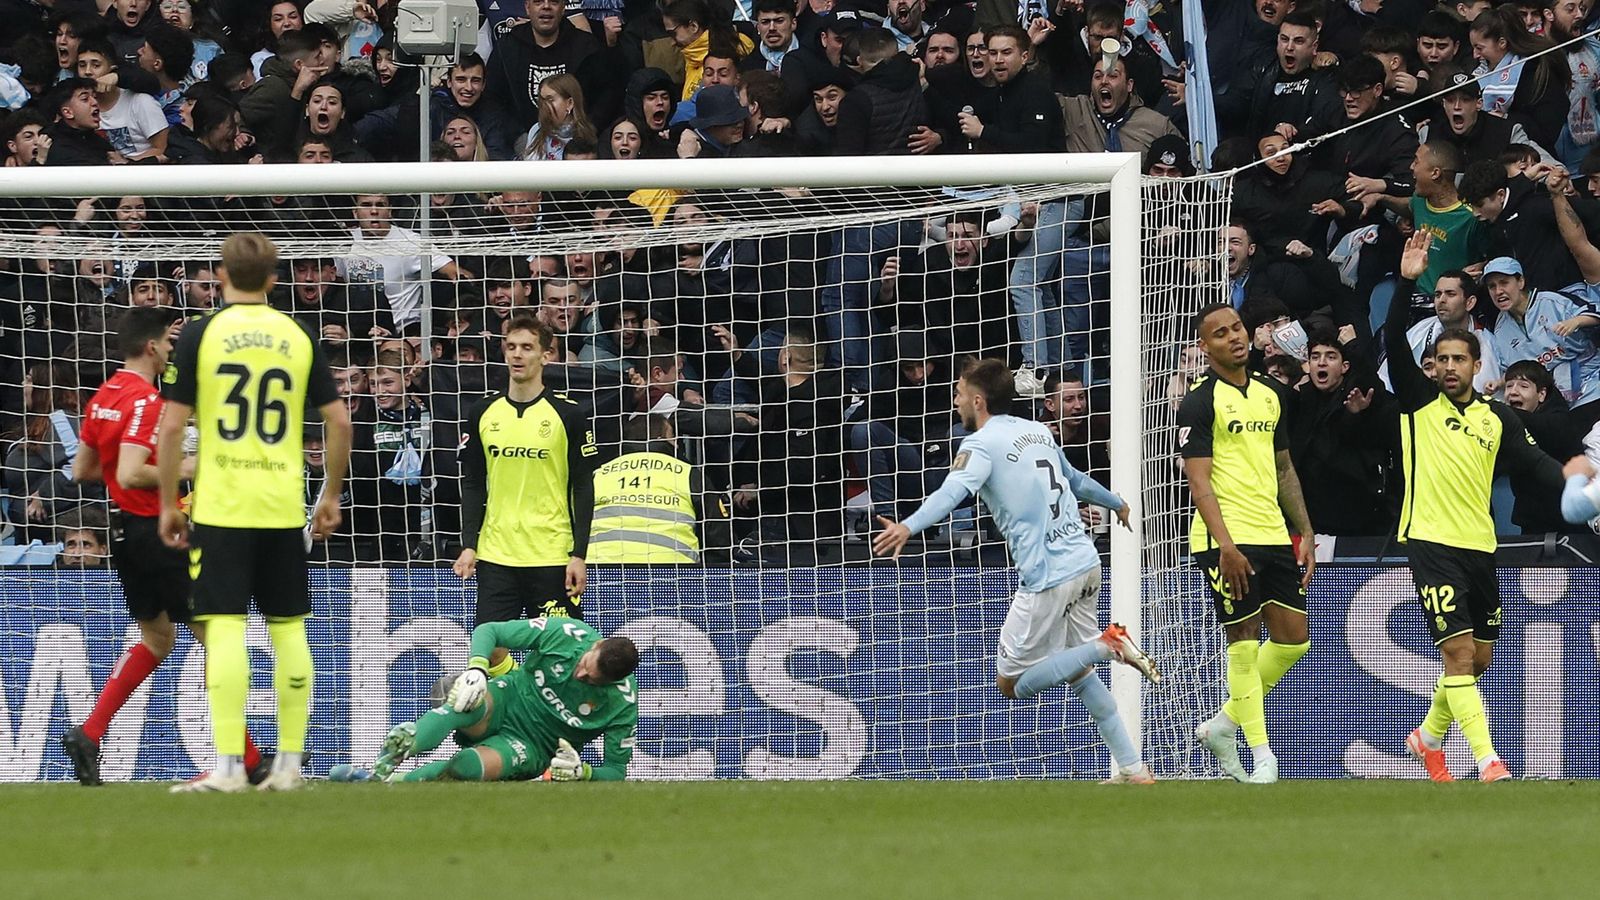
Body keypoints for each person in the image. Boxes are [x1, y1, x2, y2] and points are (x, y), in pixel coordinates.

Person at [872, 359, 1161, 784]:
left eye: (957, 393)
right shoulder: (1037, 430)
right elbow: (1076, 480)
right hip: (1084, 562)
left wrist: (907, 525)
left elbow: (953, 491)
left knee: (1012, 682)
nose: (953, 401)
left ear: (977, 399)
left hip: (1048, 575)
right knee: (1077, 672)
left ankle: (1109, 646)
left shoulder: (982, 444)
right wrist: (1116, 502)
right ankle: (1134, 770)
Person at [156, 232, 353, 793]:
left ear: (220, 275)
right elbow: (339, 422)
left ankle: (227, 769)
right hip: (281, 503)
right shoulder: (298, 334)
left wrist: (171, 502)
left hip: (222, 504)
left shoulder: (201, 333)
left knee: (224, 630)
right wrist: (331, 495)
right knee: (289, 628)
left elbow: (172, 427)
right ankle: (289, 766)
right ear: (273, 278)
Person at [1387, 232, 1566, 783]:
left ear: (1476, 362)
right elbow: (1394, 343)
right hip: (1431, 542)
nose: (1447, 367)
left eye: (1457, 359)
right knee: (1459, 656)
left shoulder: (1496, 418)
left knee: (1478, 659)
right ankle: (1488, 761)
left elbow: (1536, 466)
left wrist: (1580, 491)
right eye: (1439, 359)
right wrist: (1404, 282)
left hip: (1479, 546)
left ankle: (1428, 736)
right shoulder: (1418, 404)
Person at [60, 308, 266, 786]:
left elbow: (84, 471)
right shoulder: (145, 401)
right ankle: (249, 759)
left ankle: (90, 732)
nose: (172, 352)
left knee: (158, 638)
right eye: (168, 345)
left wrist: (136, 474)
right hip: (159, 532)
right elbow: (132, 471)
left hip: (122, 532)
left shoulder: (104, 396)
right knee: (218, 638)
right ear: (152, 347)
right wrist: (187, 469)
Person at [1179, 302, 1316, 785]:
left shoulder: (1270, 395)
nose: (1234, 337)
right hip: (1227, 538)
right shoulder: (1198, 402)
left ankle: (1223, 724)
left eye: (1236, 328)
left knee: (1293, 640)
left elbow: (1283, 468)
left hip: (1273, 533)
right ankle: (1261, 755)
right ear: (1206, 347)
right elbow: (1199, 482)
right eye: (1220, 334)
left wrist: (1306, 530)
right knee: (1242, 641)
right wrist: (1226, 546)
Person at [455, 316, 599, 678]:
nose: (517, 355)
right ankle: (518, 691)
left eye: (527, 347)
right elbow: (472, 483)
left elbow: (584, 487)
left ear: (546, 356)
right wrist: (469, 544)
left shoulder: (569, 414)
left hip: (551, 554)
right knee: (487, 648)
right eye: (511, 347)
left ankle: (555, 727)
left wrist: (579, 554)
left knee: (564, 656)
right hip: (497, 553)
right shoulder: (483, 412)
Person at [331, 616, 638, 783]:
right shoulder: (566, 633)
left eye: (591, 679)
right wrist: (477, 669)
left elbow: (616, 771)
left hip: (533, 746)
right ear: (595, 644)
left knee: (467, 768)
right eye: (585, 664)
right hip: (508, 698)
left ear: (613, 682)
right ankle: (395, 755)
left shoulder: (622, 702)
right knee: (466, 699)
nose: (581, 676)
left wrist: (584, 773)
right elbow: (490, 630)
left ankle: (387, 786)